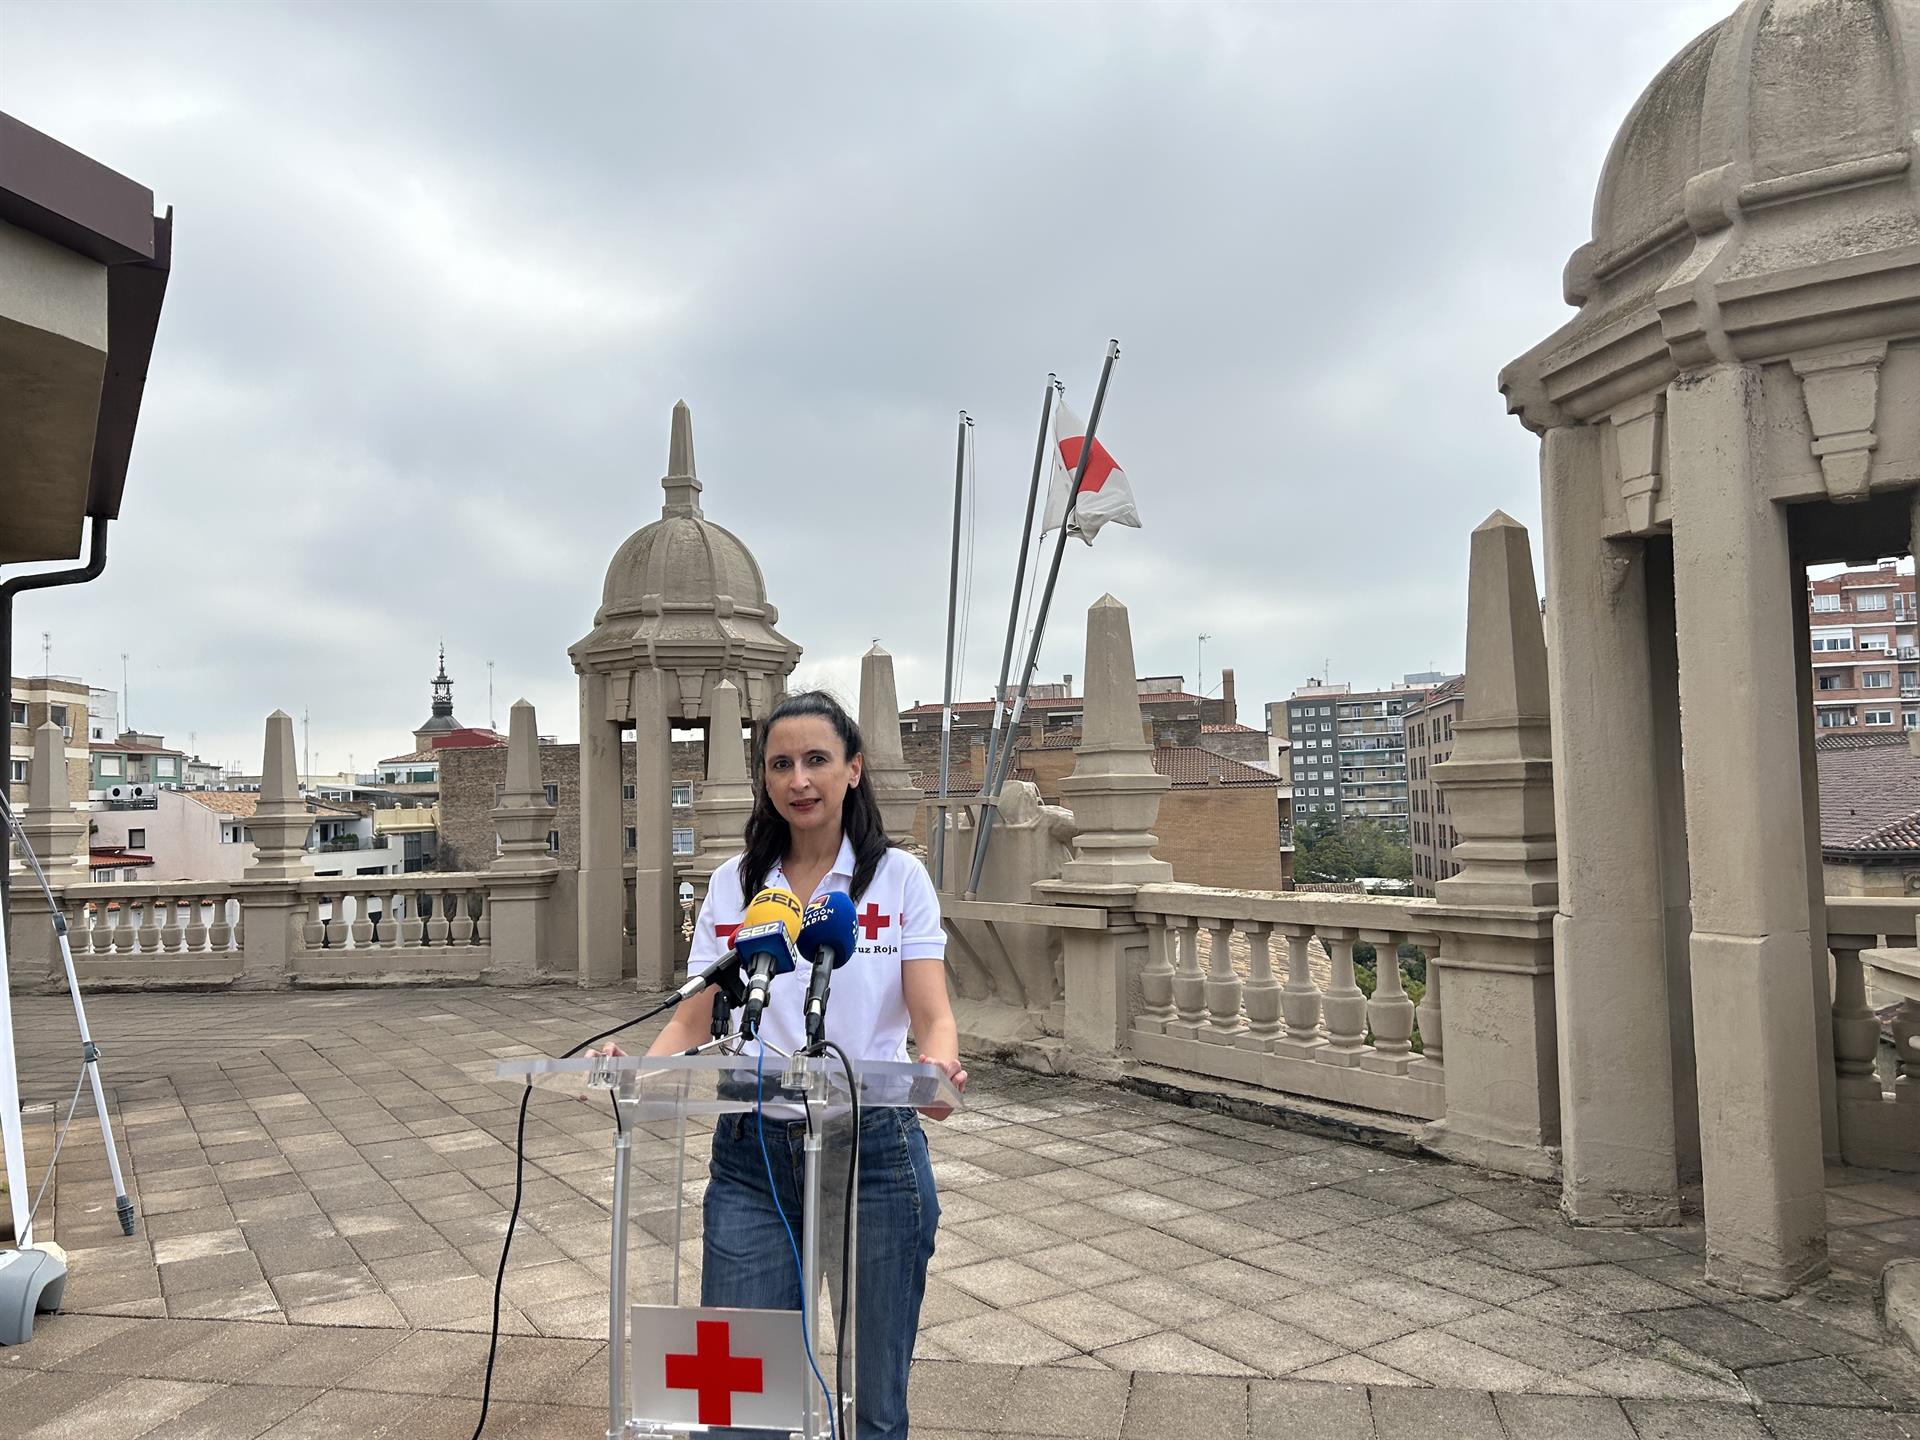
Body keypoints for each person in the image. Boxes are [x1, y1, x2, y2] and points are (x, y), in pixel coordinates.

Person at [619, 690, 965, 1440]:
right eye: (781, 764)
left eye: (816, 760)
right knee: (739, 1405)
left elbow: (932, 1013)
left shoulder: (896, 880)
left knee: (872, 1406)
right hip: (752, 1152)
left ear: (853, 771)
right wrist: (632, 1078)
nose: (798, 779)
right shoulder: (737, 887)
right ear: (765, 780)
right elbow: (691, 1017)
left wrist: (936, 1073)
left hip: (873, 1146)